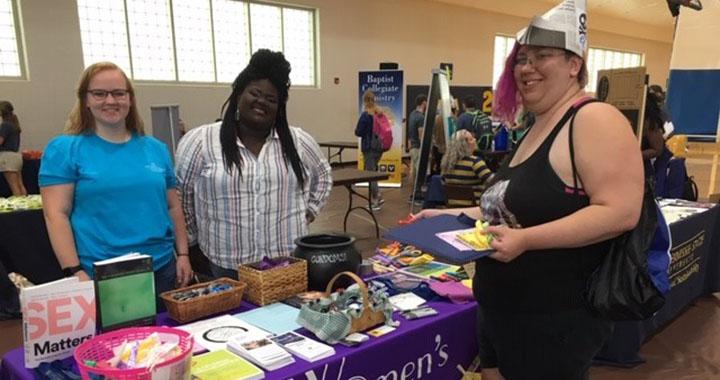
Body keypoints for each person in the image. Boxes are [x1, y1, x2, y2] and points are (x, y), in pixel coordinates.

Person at [413, 0, 643, 378]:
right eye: (521, 58)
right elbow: (511, 206)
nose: (526, 67)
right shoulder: (535, 127)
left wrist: (526, 240)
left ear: (575, 64)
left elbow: (620, 212)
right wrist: (446, 215)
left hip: (552, 320)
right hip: (503, 311)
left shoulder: (594, 119)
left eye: (542, 56)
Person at [39, 62, 193, 307]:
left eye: (118, 93)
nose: (110, 101)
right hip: (102, 276)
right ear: (85, 100)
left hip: (163, 268)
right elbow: (56, 214)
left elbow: (173, 207)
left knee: (166, 342)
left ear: (130, 99)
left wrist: (183, 254)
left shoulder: (155, 149)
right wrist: (74, 271)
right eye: (99, 94)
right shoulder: (65, 150)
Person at [176, 49, 332, 280]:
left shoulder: (298, 141)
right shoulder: (201, 141)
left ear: (279, 107)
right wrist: (193, 243)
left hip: (285, 263)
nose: (262, 102)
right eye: (255, 93)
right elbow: (181, 196)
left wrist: (306, 214)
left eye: (271, 99)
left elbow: (324, 176)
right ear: (239, 94)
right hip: (225, 265)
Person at [440, 130, 492, 207]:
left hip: (453, 208)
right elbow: (492, 182)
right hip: (474, 208)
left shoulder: (446, 164)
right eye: (471, 139)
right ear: (464, 145)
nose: (475, 140)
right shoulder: (475, 162)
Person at [355, 90, 385, 210]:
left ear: (365, 101)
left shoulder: (365, 115)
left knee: (370, 174)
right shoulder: (379, 113)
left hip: (369, 148)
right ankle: (378, 196)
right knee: (373, 172)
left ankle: (376, 200)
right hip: (379, 147)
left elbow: (359, 132)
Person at [0, 101, 27, 196]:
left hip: (7, 157)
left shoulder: (5, 125)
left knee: (14, 186)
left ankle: (19, 209)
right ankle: (25, 206)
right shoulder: (14, 125)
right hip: (16, 156)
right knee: (20, 184)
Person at [407, 94, 427, 192]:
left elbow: (410, 131)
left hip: (412, 147)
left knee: (413, 171)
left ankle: (413, 192)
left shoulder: (412, 114)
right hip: (418, 147)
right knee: (419, 171)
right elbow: (421, 135)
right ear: (424, 103)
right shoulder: (421, 118)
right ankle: (417, 192)